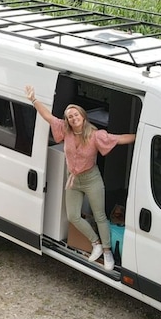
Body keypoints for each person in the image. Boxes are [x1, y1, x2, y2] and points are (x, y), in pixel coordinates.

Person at [25, 85, 135, 271]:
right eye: (70, 116)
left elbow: (119, 139)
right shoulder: (65, 130)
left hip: (91, 178)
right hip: (73, 179)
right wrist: (34, 99)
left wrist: (142, 135)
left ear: (83, 116)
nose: (73, 118)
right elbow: (48, 117)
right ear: (67, 120)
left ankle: (107, 252)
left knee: (100, 216)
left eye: (76, 115)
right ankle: (96, 244)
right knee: (73, 216)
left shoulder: (95, 135)